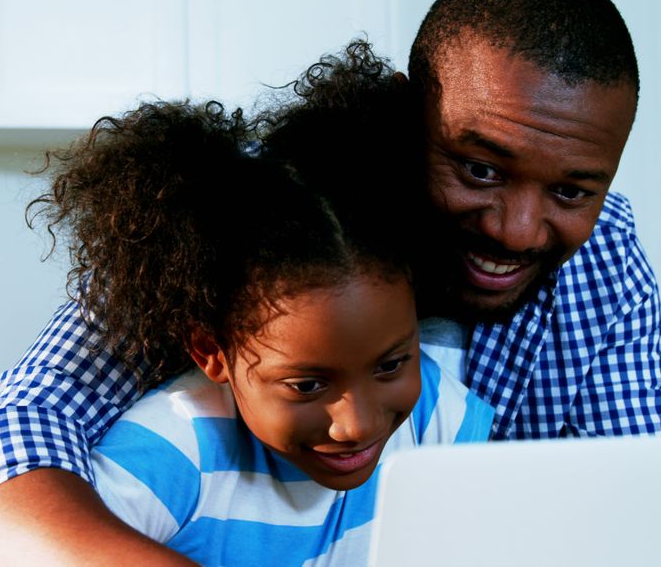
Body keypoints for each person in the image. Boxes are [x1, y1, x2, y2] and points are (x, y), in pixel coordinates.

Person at [0, 0, 661, 564]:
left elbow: (642, 510)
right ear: (401, 116)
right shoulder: (261, 221)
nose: (516, 230)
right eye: (479, 169)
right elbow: (1, 461)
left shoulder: (605, 257)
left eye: (573, 191)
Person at [26, 50, 494, 565]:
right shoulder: (177, 450)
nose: (357, 424)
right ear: (212, 352)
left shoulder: (435, 414)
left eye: (390, 364)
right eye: (307, 385)